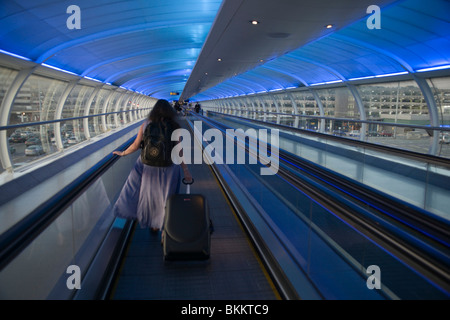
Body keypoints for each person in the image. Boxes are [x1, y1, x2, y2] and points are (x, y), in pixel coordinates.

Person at [112, 99, 193, 232]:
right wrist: (186, 170)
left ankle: (154, 224)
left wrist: (123, 153)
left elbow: (136, 145)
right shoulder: (175, 126)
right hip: (169, 167)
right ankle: (165, 230)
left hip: (148, 167)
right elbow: (179, 151)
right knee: (167, 197)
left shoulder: (146, 124)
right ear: (170, 112)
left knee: (149, 197)